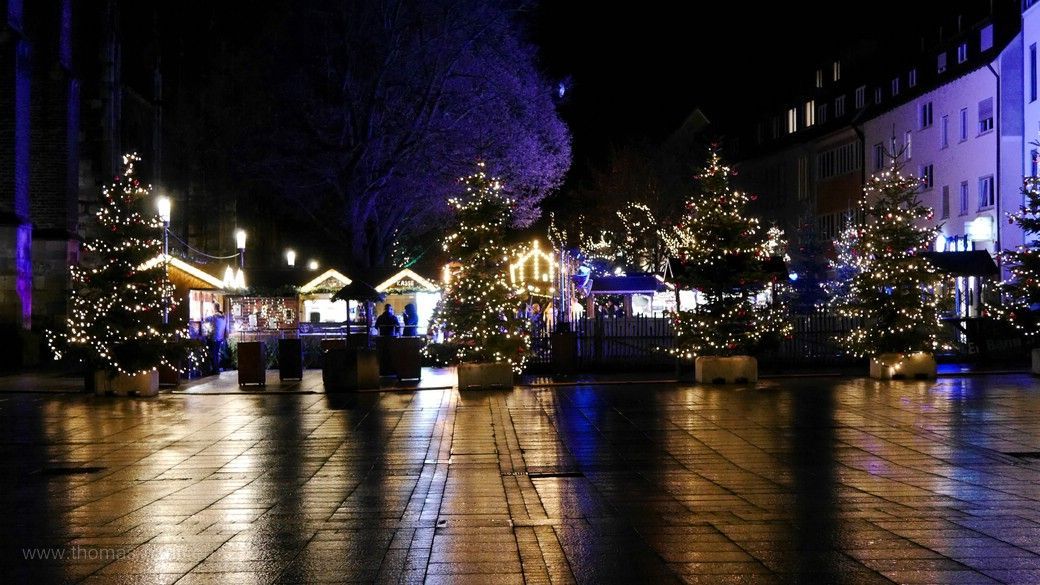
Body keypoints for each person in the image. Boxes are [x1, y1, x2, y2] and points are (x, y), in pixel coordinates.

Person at [206, 305, 228, 372]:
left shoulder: (215, 316)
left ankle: (215, 369)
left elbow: (206, 319)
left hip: (214, 338)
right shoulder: (223, 317)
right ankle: (217, 368)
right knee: (217, 353)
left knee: (214, 354)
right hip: (220, 337)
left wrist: (206, 312)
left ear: (214, 308)